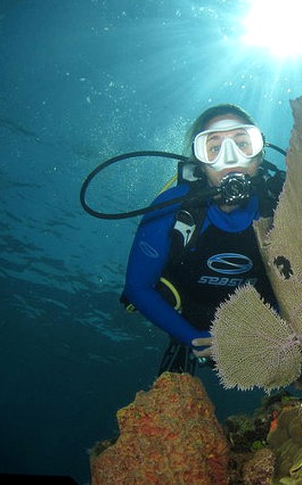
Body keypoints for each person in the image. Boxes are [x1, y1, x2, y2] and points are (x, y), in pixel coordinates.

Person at [122, 104, 284, 375]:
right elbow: (137, 286)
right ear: (200, 162)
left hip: (258, 318)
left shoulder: (282, 205)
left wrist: (270, 335)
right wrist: (192, 338)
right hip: (188, 311)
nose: (231, 158)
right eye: (214, 147)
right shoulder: (173, 206)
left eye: (243, 143)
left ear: (260, 153)